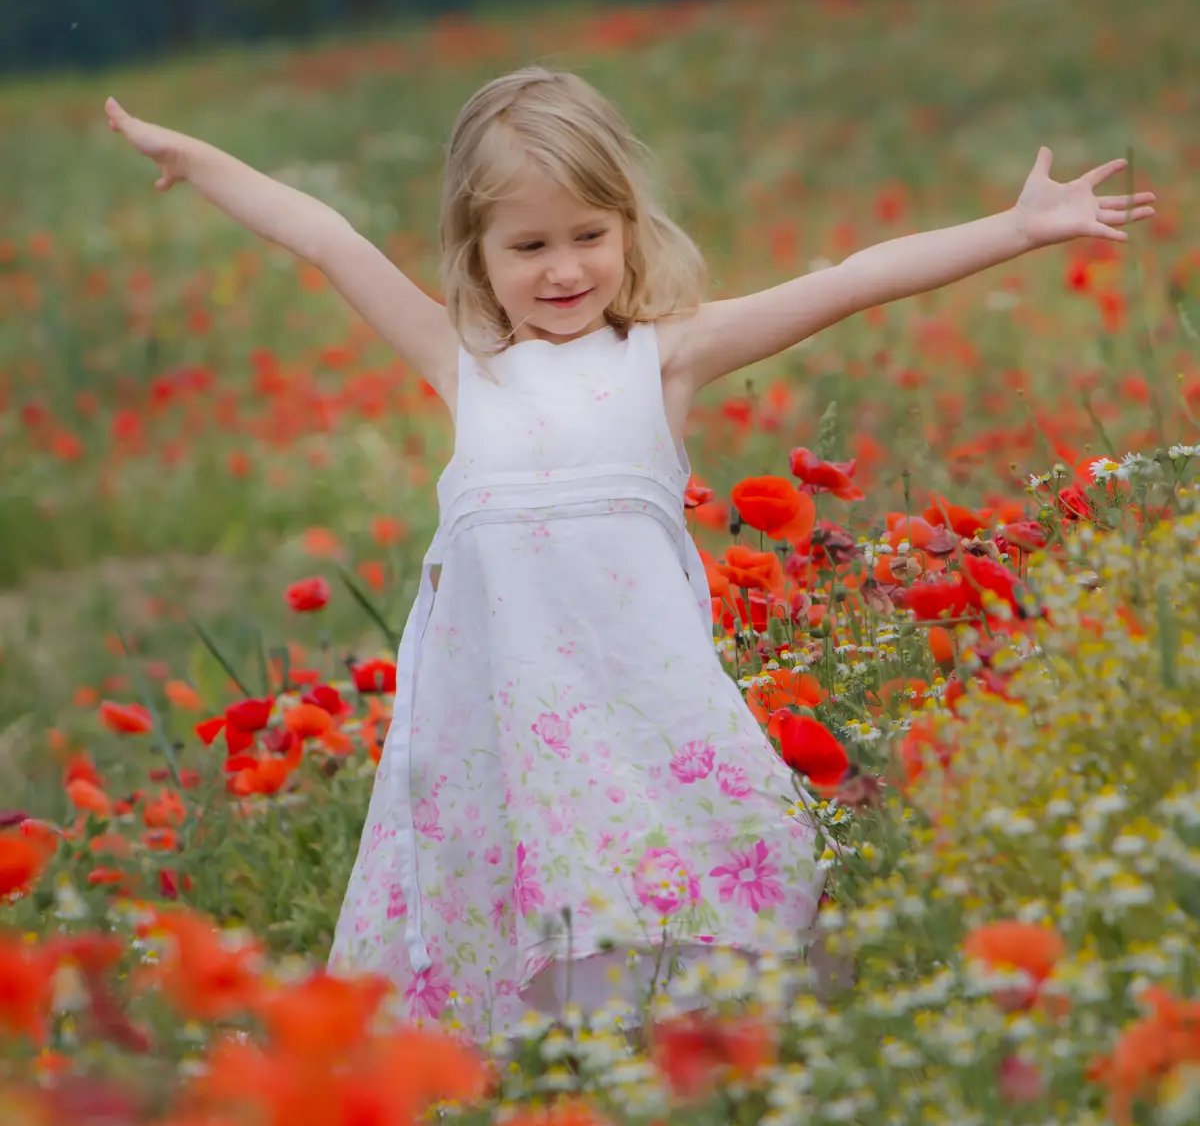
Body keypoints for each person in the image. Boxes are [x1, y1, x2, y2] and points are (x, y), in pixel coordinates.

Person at [104, 69, 1154, 1042]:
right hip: (507, 735)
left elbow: (851, 281)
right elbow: (324, 237)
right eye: (527, 248)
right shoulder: (462, 368)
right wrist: (197, 161)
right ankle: (548, 1080)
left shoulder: (667, 356)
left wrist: (1018, 229)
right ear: (474, 256)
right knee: (522, 929)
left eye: (588, 236)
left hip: (650, 719)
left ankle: (700, 1075)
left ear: (627, 230)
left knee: (700, 919)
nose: (563, 270)